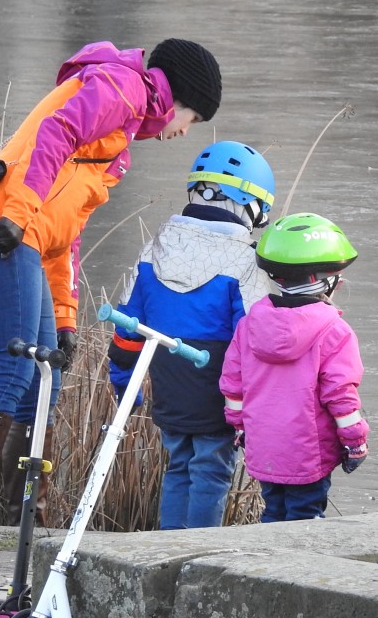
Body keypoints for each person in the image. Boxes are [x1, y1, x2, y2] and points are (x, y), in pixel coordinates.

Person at [0, 38, 222, 525]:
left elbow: (65, 232)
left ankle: (23, 522)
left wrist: (65, 317)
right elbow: (57, 130)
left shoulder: (122, 131)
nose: (184, 132)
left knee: (44, 379)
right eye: (192, 119)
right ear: (176, 97)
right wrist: (17, 213)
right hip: (4, 226)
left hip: (25, 232)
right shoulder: (124, 88)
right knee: (10, 372)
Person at [108, 141, 276, 530]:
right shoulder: (244, 261)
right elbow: (254, 339)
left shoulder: (154, 249)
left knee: (179, 466)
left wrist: (125, 388)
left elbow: (127, 328)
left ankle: (168, 548)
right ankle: (197, 554)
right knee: (211, 473)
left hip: (168, 384)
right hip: (215, 387)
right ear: (247, 204)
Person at [219, 213, 369, 523]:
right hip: (308, 455)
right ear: (322, 279)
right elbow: (341, 397)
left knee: (273, 513)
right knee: (306, 519)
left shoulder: (249, 325)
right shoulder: (334, 331)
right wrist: (355, 442)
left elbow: (233, 385)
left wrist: (239, 426)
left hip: (264, 450)